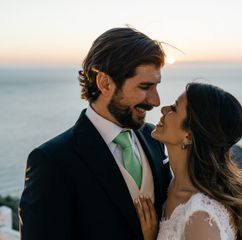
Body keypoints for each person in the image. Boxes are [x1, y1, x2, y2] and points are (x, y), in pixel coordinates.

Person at [19, 27, 172, 240]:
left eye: (156, 86)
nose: (155, 101)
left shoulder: (153, 138)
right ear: (105, 83)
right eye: (145, 86)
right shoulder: (53, 161)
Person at [134, 83, 242, 240]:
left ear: (189, 136)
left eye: (174, 109)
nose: (164, 109)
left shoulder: (201, 216)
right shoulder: (172, 184)